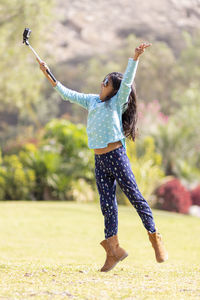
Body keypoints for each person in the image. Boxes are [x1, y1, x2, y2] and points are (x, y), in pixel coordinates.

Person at [36, 42, 168, 272]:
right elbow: (67, 94)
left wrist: (135, 58)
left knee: (135, 196)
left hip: (116, 156)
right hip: (100, 160)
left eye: (106, 82)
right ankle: (113, 250)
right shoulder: (92, 101)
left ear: (114, 90)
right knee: (107, 205)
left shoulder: (117, 103)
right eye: (103, 80)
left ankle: (155, 237)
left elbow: (126, 82)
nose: (102, 84)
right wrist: (49, 75)